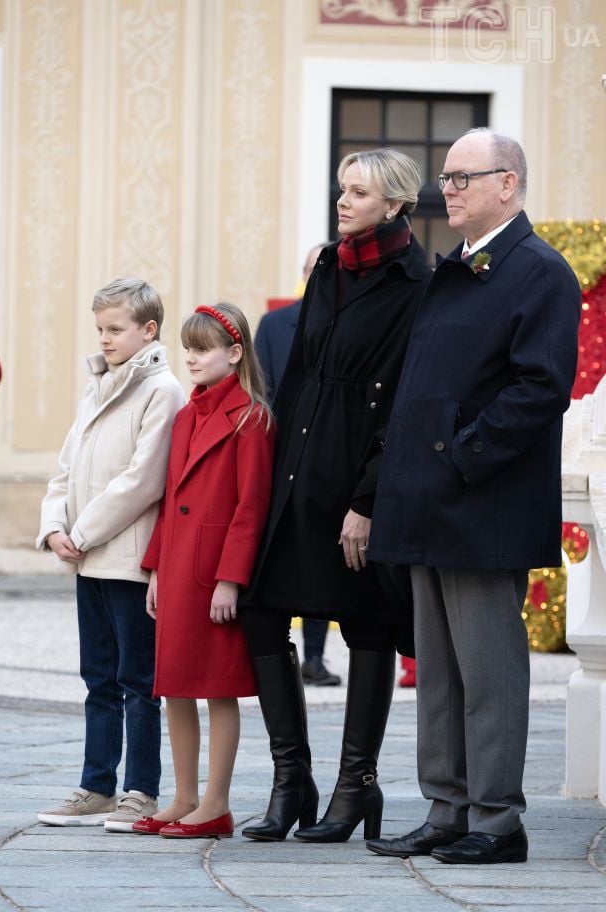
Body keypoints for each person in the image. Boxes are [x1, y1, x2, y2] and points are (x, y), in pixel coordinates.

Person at [366, 129, 581, 865]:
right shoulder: (454, 269)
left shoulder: (538, 271)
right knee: (440, 673)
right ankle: (447, 807)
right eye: (445, 178)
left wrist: (463, 457)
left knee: (489, 674)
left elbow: (541, 386)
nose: (445, 189)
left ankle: (496, 819)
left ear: (508, 185)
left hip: (481, 504)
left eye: (462, 177)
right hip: (431, 502)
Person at [239, 147, 432, 843]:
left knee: (368, 627)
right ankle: (293, 780)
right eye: (342, 189)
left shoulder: (419, 281)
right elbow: (299, 375)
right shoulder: (327, 267)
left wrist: (368, 500)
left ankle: (358, 789)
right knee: (261, 614)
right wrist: (265, 473)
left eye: (358, 193)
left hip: (358, 479)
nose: (343, 201)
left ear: (395, 204)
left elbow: (407, 403)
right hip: (298, 466)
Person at [36, 277, 185, 831]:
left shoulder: (162, 391)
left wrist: (85, 530)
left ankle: (140, 790)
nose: (104, 339)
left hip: (126, 558)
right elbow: (66, 469)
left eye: (115, 329)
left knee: (137, 679)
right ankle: (96, 785)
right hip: (88, 557)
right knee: (96, 676)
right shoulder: (96, 388)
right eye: (100, 328)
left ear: (148, 330)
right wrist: (56, 528)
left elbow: (142, 480)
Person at [131, 303, 275, 839]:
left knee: (218, 687)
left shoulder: (251, 418)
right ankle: (184, 796)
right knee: (175, 686)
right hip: (177, 571)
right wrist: (155, 572)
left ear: (234, 354)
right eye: (187, 348)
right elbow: (172, 499)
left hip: (213, 576)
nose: (190, 358)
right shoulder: (187, 415)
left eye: (203, 348)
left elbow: (250, 507)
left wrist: (230, 579)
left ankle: (215, 803)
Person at [254, 242, 341, 687]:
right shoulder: (273, 325)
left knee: (318, 557)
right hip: (278, 455)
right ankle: (275, 651)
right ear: (304, 274)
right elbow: (262, 388)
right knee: (281, 556)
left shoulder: (345, 323)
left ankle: (315, 657)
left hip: (325, 462)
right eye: (312, 269)